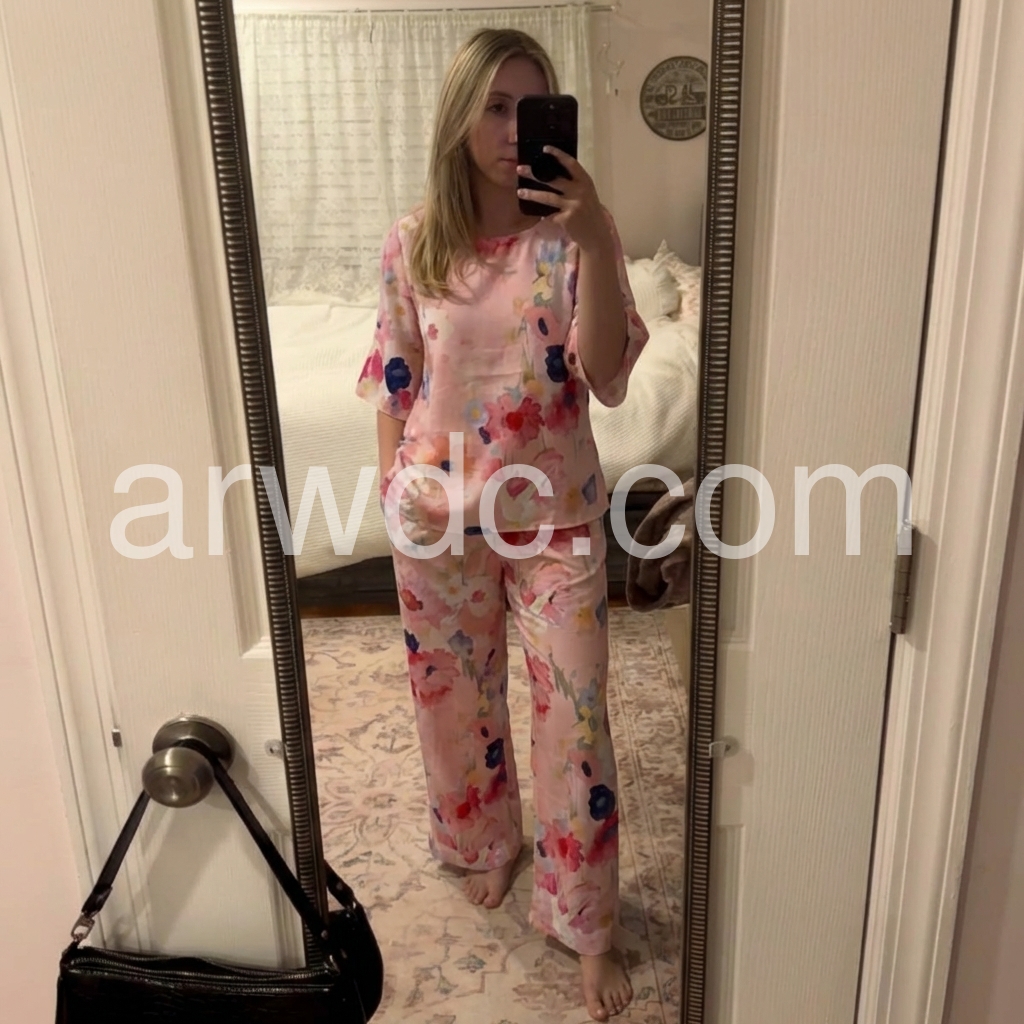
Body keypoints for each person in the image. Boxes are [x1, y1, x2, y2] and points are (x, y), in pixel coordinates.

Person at [355, 27, 649, 1022]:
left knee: (576, 718)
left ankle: (587, 922)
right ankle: (484, 841)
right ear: (458, 116)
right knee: (455, 704)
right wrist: (392, 487)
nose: (513, 126)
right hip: (438, 516)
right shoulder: (412, 241)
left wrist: (597, 235)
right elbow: (393, 375)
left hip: (555, 517)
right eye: (493, 105)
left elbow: (604, 373)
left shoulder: (573, 237)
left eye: (532, 105)